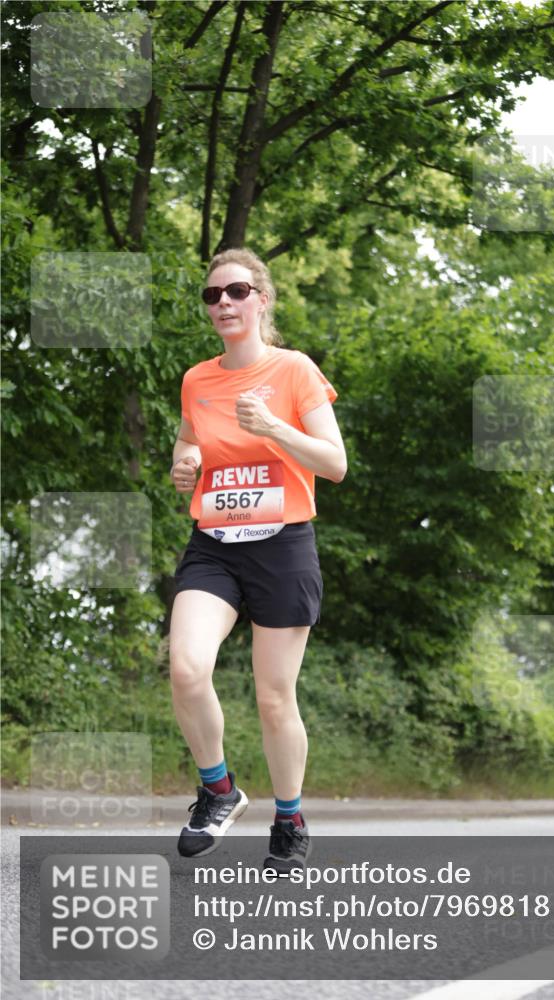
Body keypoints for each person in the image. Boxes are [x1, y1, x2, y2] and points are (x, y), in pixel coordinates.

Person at [169, 247, 346, 871]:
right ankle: (218, 790)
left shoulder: (294, 370)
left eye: (236, 292)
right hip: (214, 544)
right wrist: (182, 466)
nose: (223, 303)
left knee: (274, 698)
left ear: (261, 299)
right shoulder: (197, 379)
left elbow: (334, 462)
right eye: (212, 296)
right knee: (187, 667)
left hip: (282, 545)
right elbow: (189, 444)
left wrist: (274, 427)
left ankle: (290, 819)